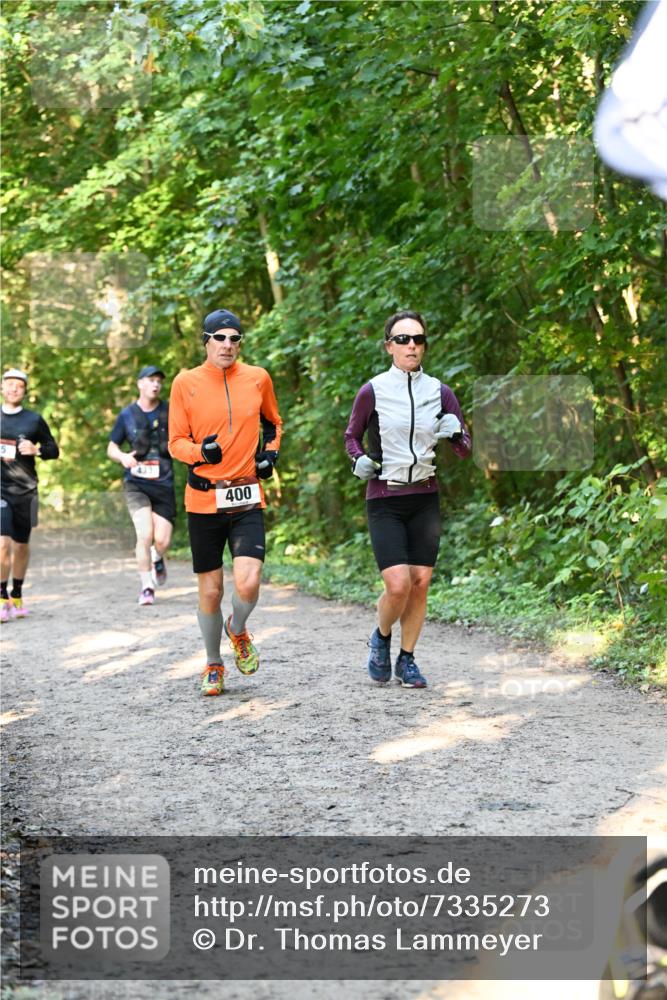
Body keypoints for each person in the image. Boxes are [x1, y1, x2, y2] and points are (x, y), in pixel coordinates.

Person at [344, 310, 471, 689]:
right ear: (389, 346)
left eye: (418, 339)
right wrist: (359, 460)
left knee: (420, 583)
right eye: (403, 339)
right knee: (398, 584)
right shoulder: (373, 390)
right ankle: (381, 637)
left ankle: (408, 659)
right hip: (385, 497)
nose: (411, 345)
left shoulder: (440, 392)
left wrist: (456, 434)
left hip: (425, 497)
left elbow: (465, 450)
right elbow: (351, 437)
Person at [168, 308, 283, 696]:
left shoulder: (258, 378)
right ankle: (213, 663)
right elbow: (175, 442)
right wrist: (201, 452)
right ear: (206, 341)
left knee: (248, 584)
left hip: (247, 496)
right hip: (203, 500)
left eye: (235, 338)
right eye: (220, 338)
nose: (228, 345)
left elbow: (273, 423)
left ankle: (238, 630)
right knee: (211, 592)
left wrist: (271, 454)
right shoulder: (186, 383)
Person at [107, 365, 176, 606]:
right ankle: (147, 586)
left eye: (159, 380)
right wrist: (123, 457)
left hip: (164, 482)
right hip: (137, 484)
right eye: (151, 380)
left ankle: (158, 556)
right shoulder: (127, 415)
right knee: (144, 534)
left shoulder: (171, 411)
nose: (156, 384)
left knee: (163, 541)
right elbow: (111, 447)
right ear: (140, 384)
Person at [0, 368, 60, 622]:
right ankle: (2, 597)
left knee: (21, 545)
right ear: (2, 387)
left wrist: (36, 449)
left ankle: (17, 593)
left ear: (24, 391)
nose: (14, 389)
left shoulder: (34, 420)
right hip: (1, 489)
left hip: (27, 492)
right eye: (10, 384)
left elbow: (53, 450)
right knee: (3, 544)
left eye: (19, 386)